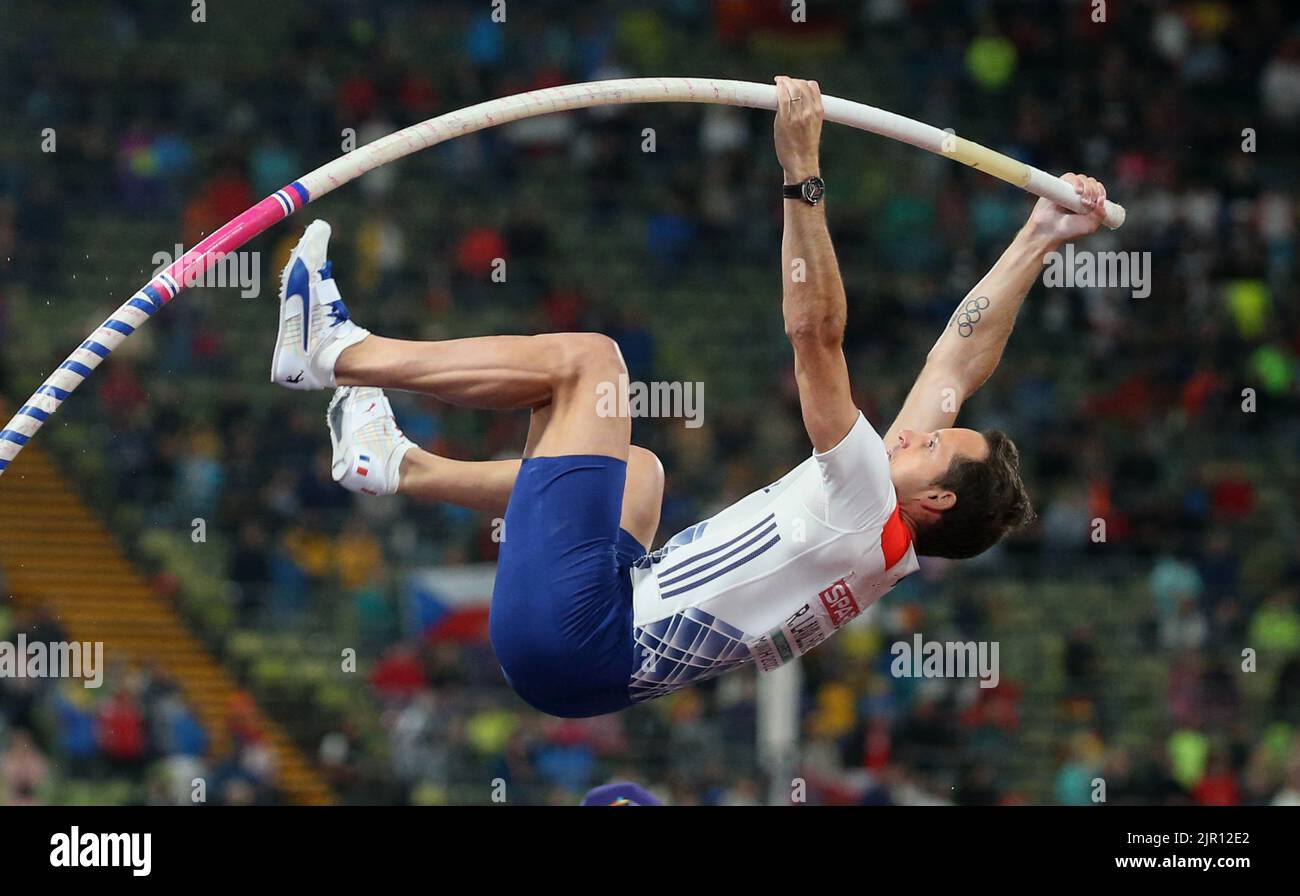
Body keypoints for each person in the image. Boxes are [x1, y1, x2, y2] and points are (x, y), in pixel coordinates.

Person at [269, 76, 1110, 718]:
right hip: (592, 646)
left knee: (591, 367)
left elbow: (815, 336)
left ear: (934, 499)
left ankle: (342, 353)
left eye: (931, 445)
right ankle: (397, 464)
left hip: (576, 637)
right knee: (636, 472)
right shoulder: (885, 532)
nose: (914, 432)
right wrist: (1040, 235)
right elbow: (957, 366)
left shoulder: (862, 501)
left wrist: (801, 170)